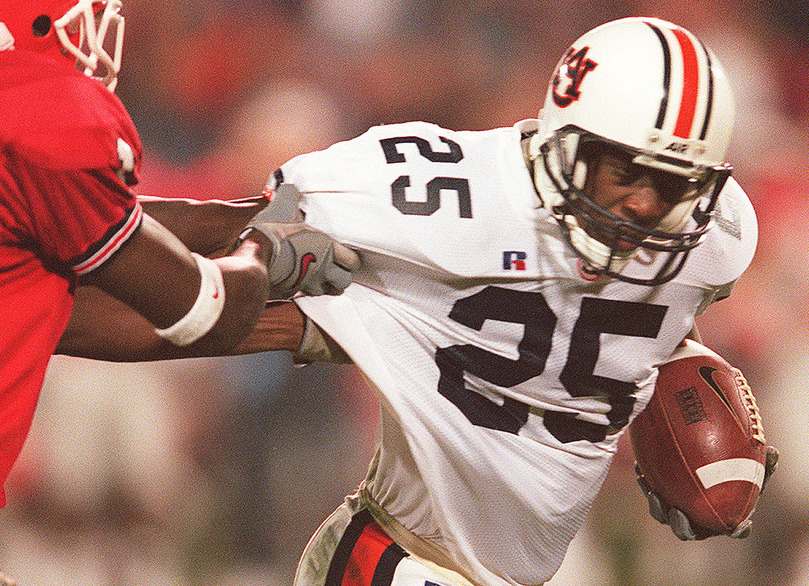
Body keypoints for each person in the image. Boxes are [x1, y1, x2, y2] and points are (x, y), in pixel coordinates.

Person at [57, 16, 778, 586]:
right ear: (563, 139)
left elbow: (643, 324)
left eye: (673, 184)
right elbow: (233, 233)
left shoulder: (718, 238)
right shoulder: (439, 195)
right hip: (397, 561)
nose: (644, 204)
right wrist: (63, 240)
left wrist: (675, 371)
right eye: (622, 171)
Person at [0, 1, 358, 578]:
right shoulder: (43, 120)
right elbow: (203, 306)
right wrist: (270, 255)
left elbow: (81, 301)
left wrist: (252, 218)